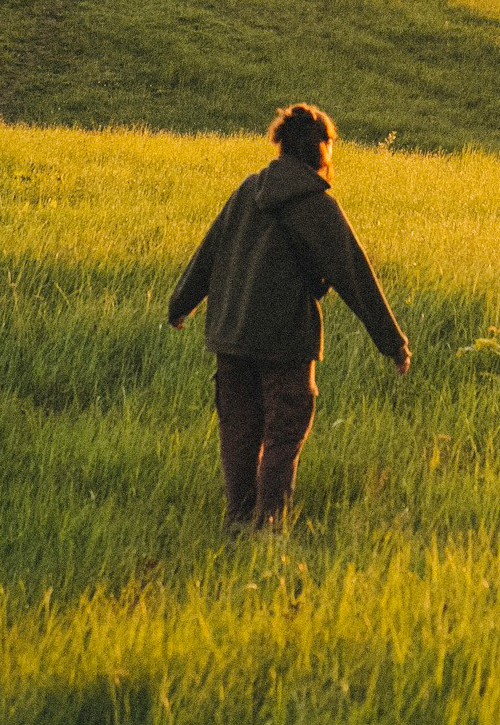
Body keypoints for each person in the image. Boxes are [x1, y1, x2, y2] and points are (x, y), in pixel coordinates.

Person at [168, 103, 410, 528]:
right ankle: (268, 528)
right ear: (320, 148)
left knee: (239, 435)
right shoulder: (318, 206)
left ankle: (238, 523)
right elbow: (356, 278)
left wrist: (180, 304)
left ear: (282, 145)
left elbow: (210, 251)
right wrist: (394, 344)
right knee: (283, 436)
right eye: (331, 145)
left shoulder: (248, 190)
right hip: (286, 343)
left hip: (231, 337)